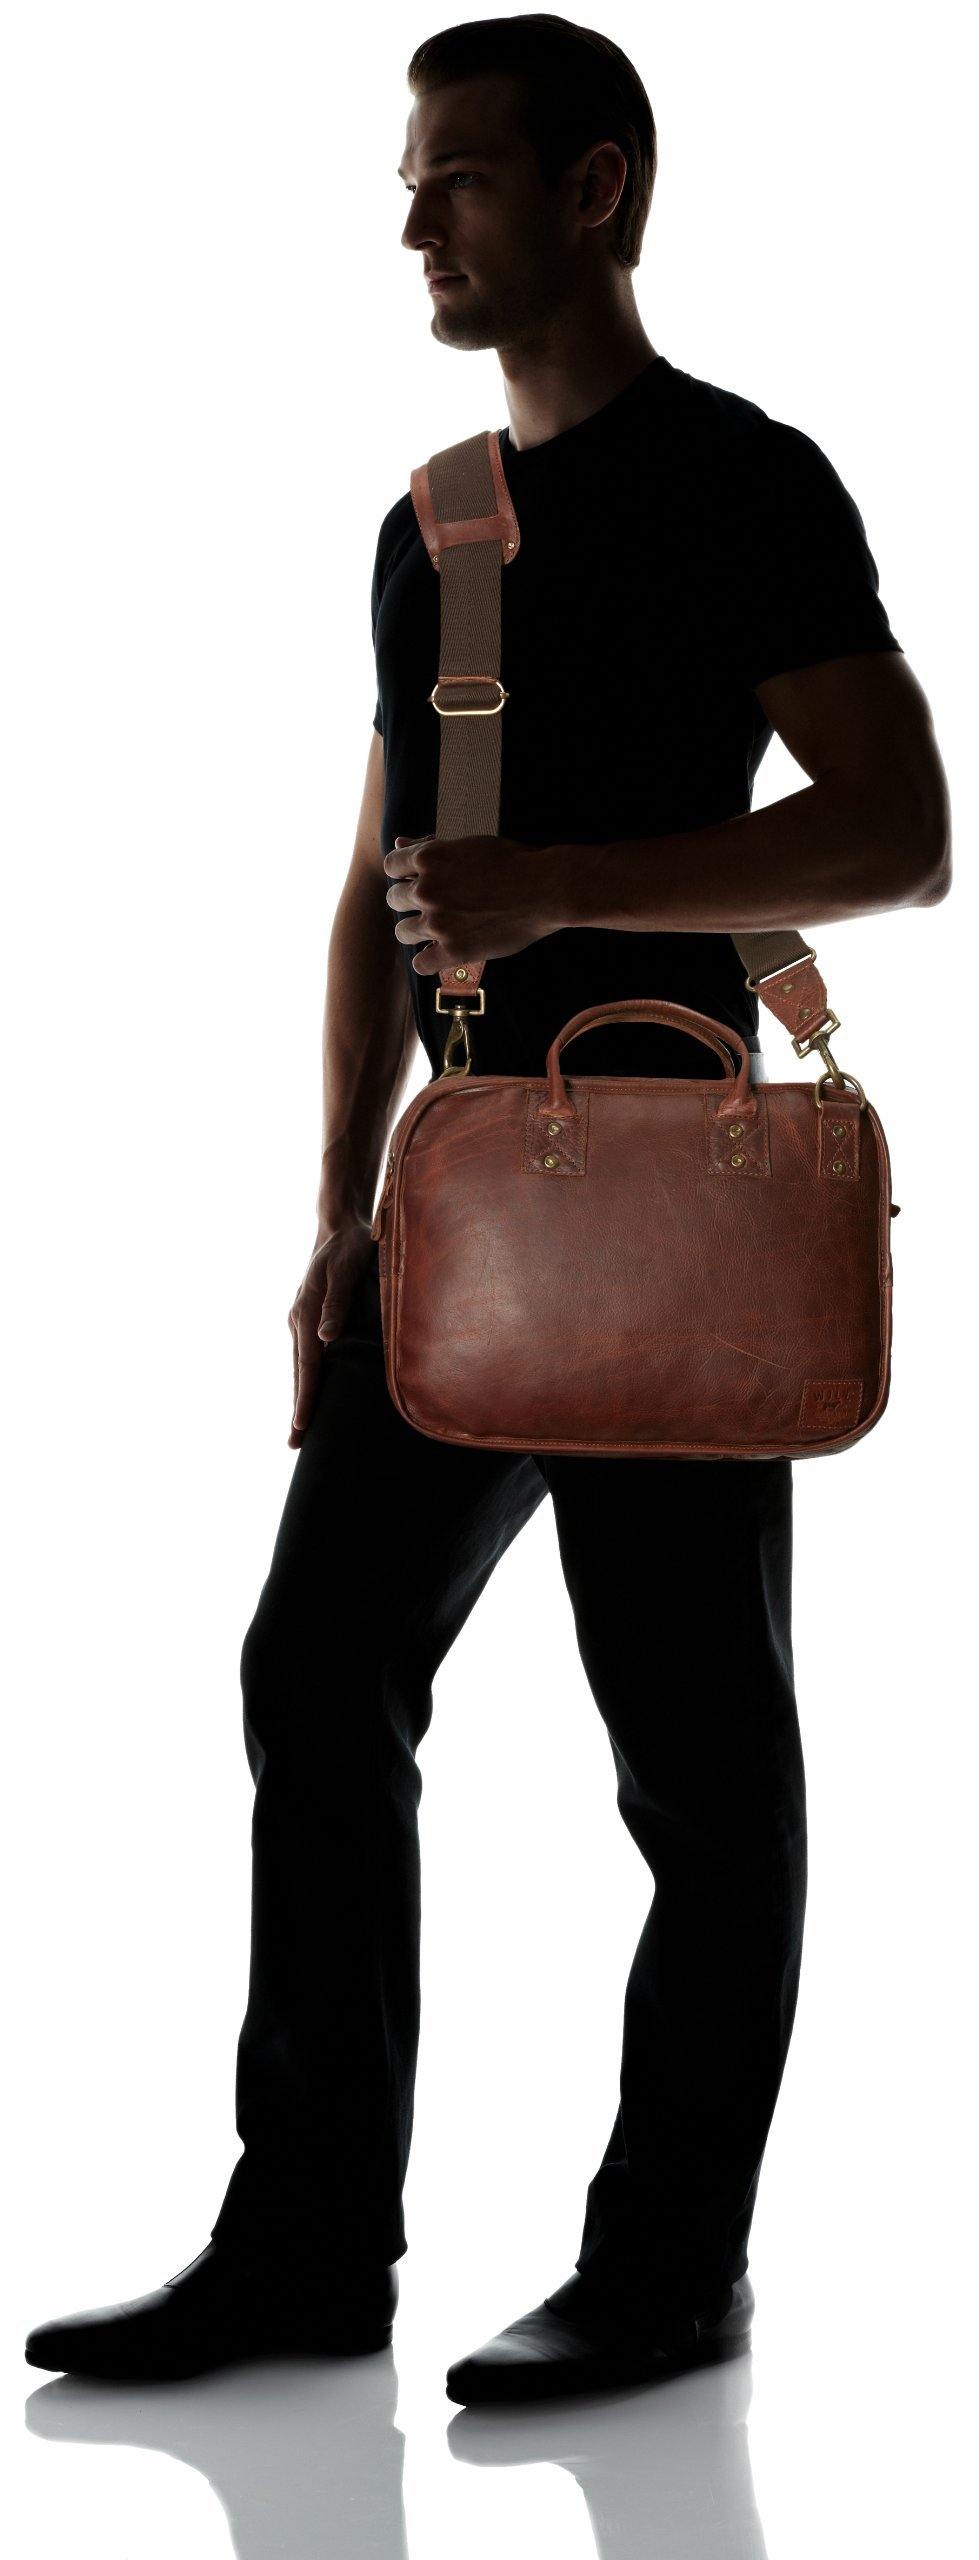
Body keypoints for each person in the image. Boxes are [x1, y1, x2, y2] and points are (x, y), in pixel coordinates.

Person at [26, 15, 950, 2402]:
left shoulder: (744, 480)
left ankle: (669, 2270)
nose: (411, 221)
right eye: (408, 180)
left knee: (696, 1755)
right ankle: (307, 2243)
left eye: (454, 177)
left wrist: (571, 886)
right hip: (461, 1207)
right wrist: (336, 1214)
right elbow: (376, 888)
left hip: (661, 1191)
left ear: (595, 189)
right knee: (312, 1670)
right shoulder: (434, 522)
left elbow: (898, 832)